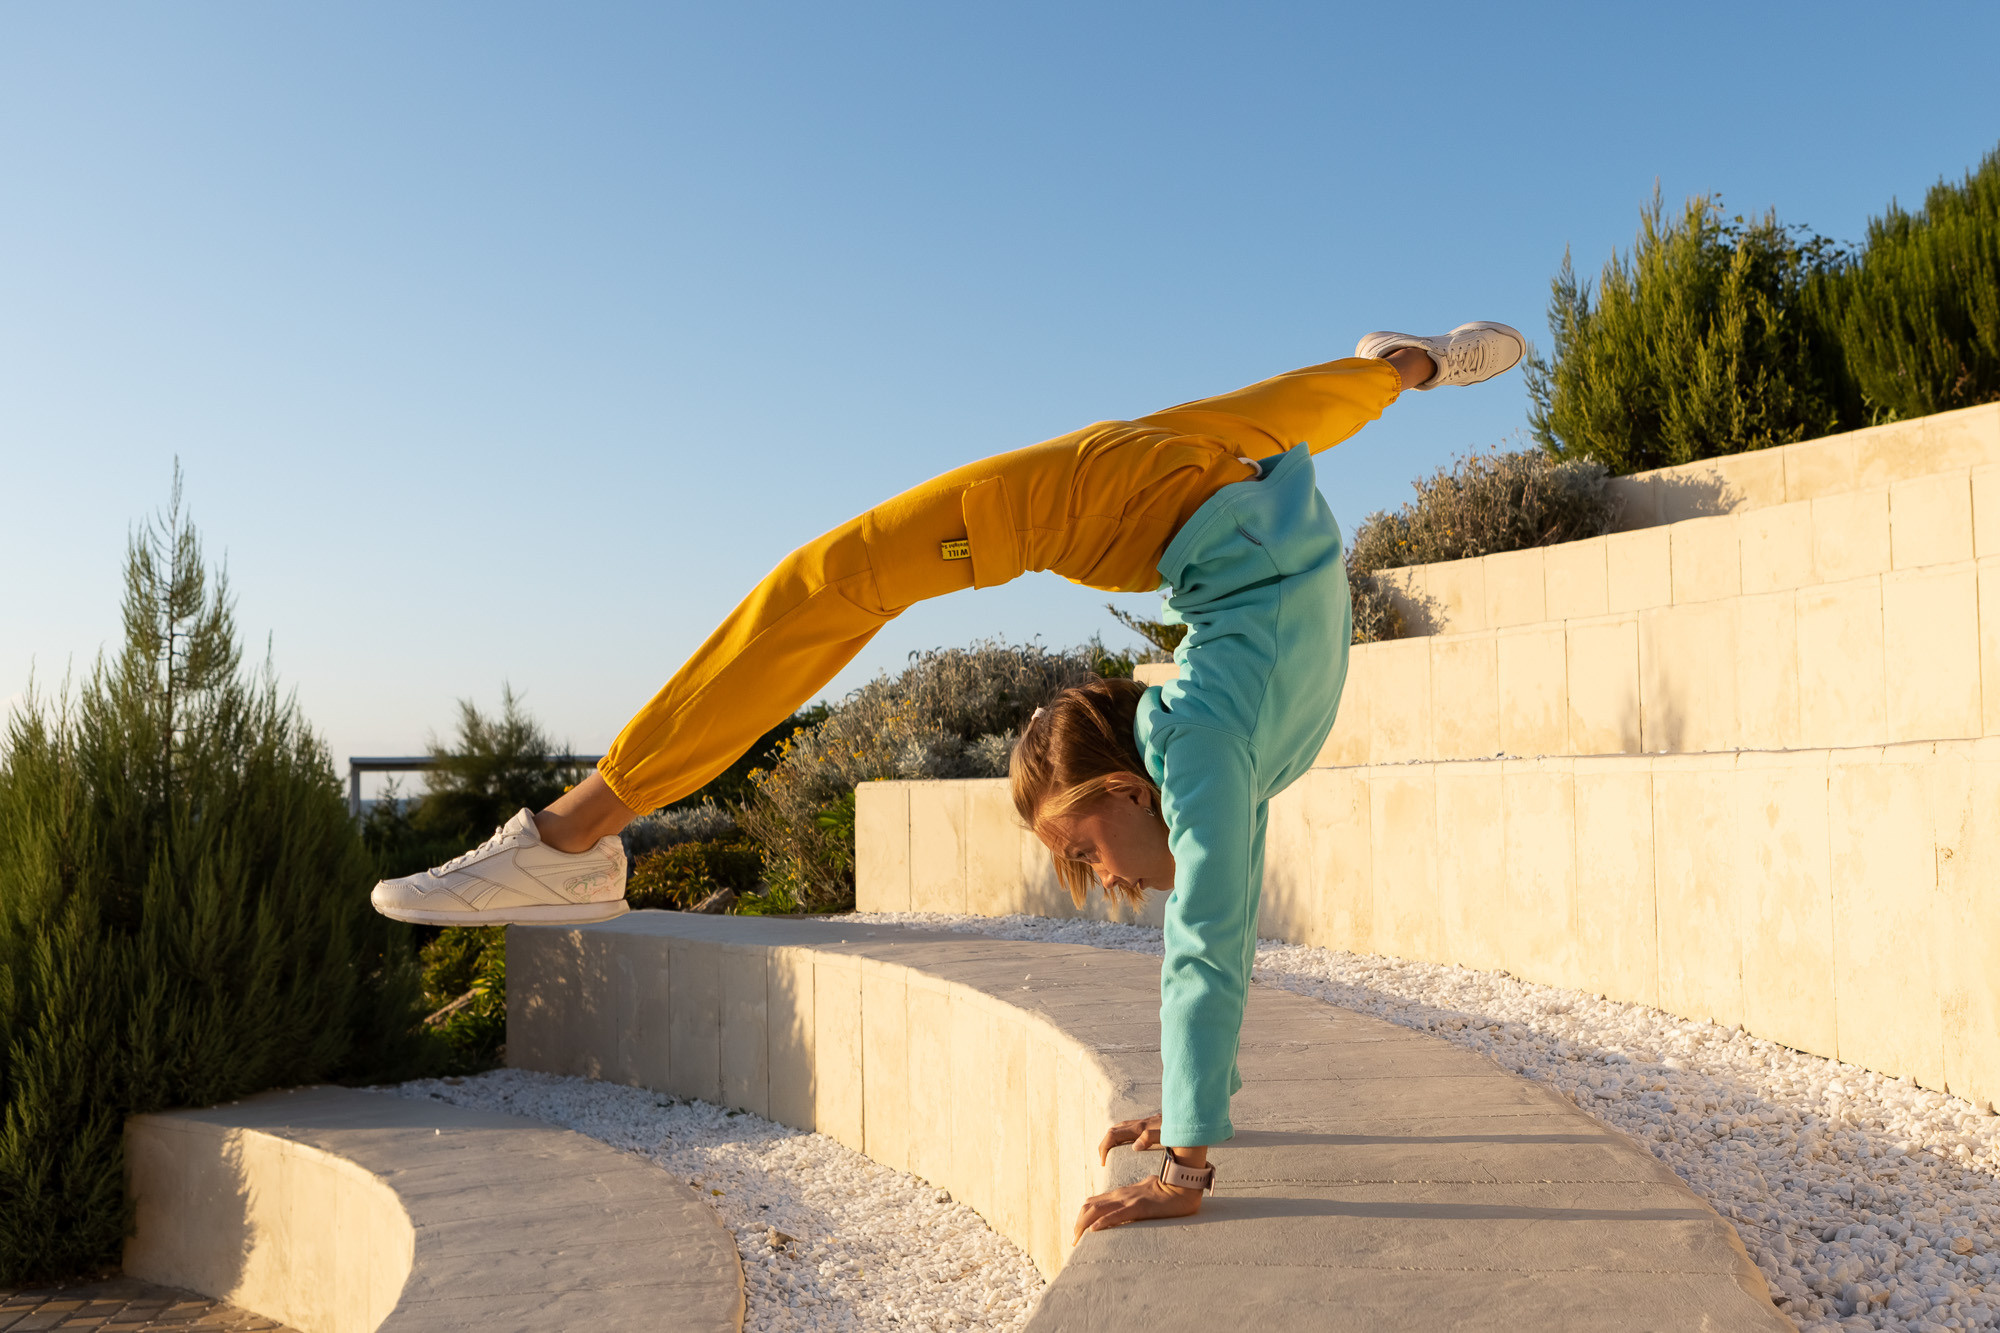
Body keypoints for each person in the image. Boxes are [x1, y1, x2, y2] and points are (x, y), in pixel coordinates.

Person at [371, 321, 1526, 1233]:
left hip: (1247, 462)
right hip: (1142, 491)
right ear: (1127, 785)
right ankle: (575, 838)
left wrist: (1187, 1129)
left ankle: (1403, 363)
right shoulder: (1205, 752)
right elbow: (1208, 939)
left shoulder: (1219, 745)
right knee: (826, 581)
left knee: (1327, 401)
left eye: (1071, 854)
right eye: (1081, 849)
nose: (1098, 879)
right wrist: (1185, 1160)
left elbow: (1205, 927)